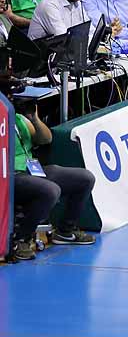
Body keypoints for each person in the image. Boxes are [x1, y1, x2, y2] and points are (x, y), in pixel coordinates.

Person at [5, 101, 98, 261]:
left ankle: (65, 231)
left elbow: (45, 139)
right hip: (10, 175)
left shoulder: (18, 119)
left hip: (33, 169)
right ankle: (20, 240)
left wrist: (34, 119)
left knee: (85, 178)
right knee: (51, 190)